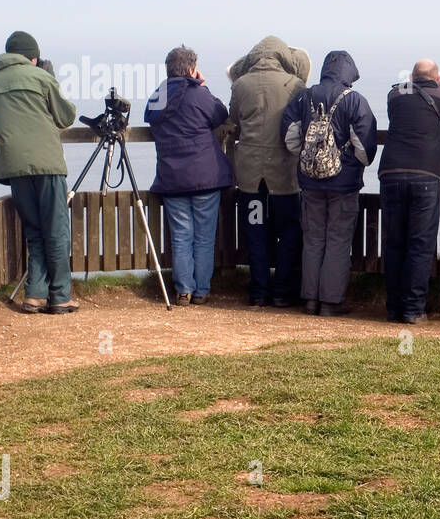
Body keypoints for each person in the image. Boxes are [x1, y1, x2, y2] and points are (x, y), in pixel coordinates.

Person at [0, 31, 78, 314]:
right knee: (56, 230)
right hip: (46, 163)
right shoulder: (41, 77)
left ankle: (35, 294)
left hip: (14, 165)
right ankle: (61, 296)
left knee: (35, 231)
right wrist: (51, 79)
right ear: (33, 57)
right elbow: (66, 116)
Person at [281, 51, 377, 316]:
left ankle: (310, 300)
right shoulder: (354, 100)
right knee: (337, 241)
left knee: (312, 239)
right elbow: (365, 150)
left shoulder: (304, 96)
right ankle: (331, 302)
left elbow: (290, 138)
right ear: (350, 73)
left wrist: (310, 157)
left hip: (310, 183)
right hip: (343, 185)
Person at [144, 45, 234, 305]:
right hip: (205, 178)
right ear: (192, 69)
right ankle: (202, 291)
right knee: (204, 238)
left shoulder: (159, 95)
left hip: (172, 179)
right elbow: (220, 114)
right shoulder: (199, 94)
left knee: (181, 236)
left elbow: (148, 115)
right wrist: (202, 86)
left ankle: (184, 290)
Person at [379, 59, 440, 323]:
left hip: (391, 173)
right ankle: (413, 309)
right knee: (419, 244)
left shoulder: (395, 93)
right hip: (425, 175)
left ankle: (393, 307)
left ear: (412, 75)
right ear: (436, 78)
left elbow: (399, 111)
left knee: (394, 242)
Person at [227, 36, 311, 307]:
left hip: (250, 175)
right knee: (288, 230)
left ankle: (258, 291)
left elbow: (234, 119)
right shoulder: (295, 84)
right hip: (284, 174)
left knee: (255, 231)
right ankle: (282, 291)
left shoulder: (241, 84)